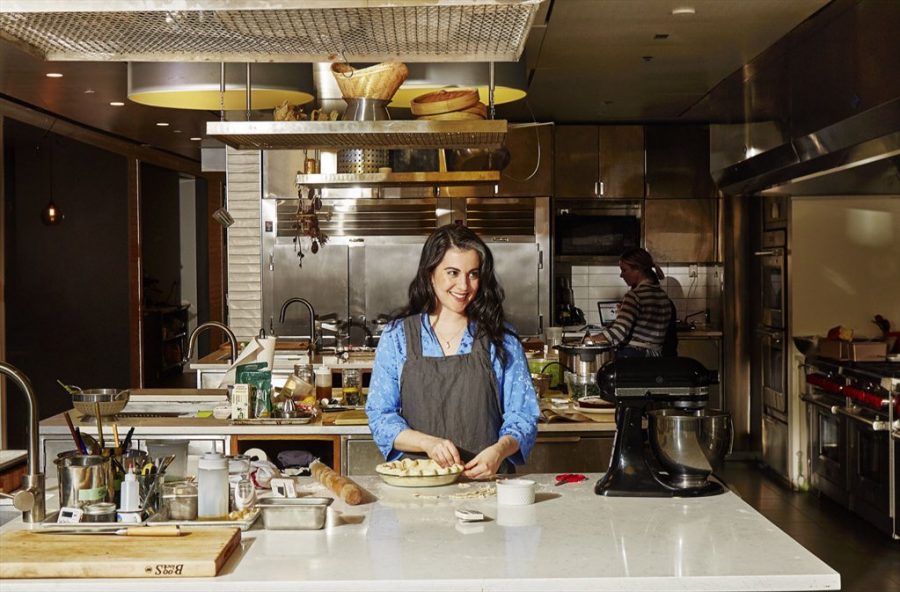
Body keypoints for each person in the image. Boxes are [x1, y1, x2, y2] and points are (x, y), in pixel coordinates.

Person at [365, 224, 540, 479]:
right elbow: (380, 417)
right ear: (430, 274)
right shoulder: (397, 337)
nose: (464, 285)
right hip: (418, 489)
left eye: (473, 274)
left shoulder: (501, 338)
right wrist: (427, 443)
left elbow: (523, 416)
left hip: (488, 485)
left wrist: (499, 451)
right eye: (453, 273)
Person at [592, 247, 677, 358]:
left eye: (624, 270)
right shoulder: (664, 297)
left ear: (638, 269)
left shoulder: (635, 296)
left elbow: (618, 333)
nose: (621, 275)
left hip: (634, 358)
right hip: (656, 358)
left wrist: (590, 339)